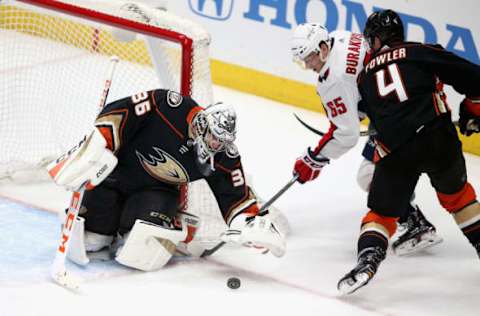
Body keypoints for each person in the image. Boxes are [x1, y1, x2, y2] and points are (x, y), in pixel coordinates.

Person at [47, 89, 286, 271]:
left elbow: (236, 198)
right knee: (91, 240)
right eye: (215, 138)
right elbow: (122, 112)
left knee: (139, 248)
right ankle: (104, 226)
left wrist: (249, 225)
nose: (218, 146)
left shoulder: (223, 155)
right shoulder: (170, 106)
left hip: (155, 192)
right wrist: (100, 143)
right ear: (203, 125)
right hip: (115, 175)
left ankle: (130, 226)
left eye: (223, 141)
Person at [337, 9, 480, 295]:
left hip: (395, 150)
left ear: (376, 40)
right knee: (458, 197)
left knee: (381, 215)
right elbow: (475, 79)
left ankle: (368, 260)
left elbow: (370, 117)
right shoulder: (420, 52)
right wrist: (471, 111)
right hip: (438, 138)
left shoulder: (364, 77)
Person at [290, 23, 441, 256]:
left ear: (321, 47)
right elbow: (362, 80)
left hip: (395, 118)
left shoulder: (332, 81)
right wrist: (359, 109)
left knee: (369, 176)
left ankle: (415, 224)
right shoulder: (341, 37)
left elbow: (346, 134)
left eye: (309, 58)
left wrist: (314, 159)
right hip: (412, 98)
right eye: (303, 61)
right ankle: (407, 207)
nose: (308, 65)